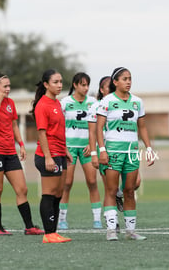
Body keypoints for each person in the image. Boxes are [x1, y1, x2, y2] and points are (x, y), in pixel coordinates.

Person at [0, 71, 44, 236]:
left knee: (22, 189)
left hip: (10, 152)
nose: (8, 89)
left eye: (9, 86)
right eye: (5, 86)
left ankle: (29, 227)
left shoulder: (11, 103)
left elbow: (14, 125)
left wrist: (21, 144)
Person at [96, 67, 156, 241]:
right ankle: (111, 231)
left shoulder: (137, 101)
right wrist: (101, 150)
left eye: (130, 78)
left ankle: (131, 231)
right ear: (115, 82)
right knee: (111, 190)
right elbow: (98, 128)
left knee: (129, 190)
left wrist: (149, 148)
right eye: (124, 79)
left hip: (132, 152)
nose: (128, 82)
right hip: (113, 150)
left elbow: (142, 127)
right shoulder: (107, 101)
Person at [30, 69, 72, 243]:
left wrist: (65, 151)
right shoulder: (43, 105)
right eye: (55, 82)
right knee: (49, 194)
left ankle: (53, 232)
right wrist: (48, 157)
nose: (59, 85)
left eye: (61, 81)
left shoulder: (57, 103)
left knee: (58, 194)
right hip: (48, 155)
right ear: (46, 84)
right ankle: (48, 234)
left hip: (60, 153)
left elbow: (59, 132)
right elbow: (42, 133)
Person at [58, 72, 102, 230]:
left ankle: (97, 219)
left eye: (87, 85)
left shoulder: (93, 102)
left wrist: (93, 144)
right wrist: (64, 147)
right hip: (69, 147)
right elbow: (59, 126)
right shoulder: (65, 102)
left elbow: (98, 125)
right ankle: (61, 219)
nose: (85, 88)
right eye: (82, 84)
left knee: (92, 182)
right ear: (75, 85)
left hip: (88, 147)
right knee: (67, 183)